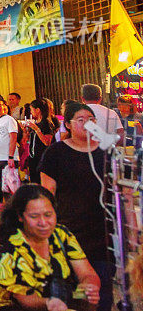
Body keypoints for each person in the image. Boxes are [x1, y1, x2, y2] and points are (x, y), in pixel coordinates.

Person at [39, 103, 112, 311]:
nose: (87, 123)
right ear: (68, 125)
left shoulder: (106, 152)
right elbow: (47, 195)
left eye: (91, 119)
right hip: (70, 233)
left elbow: (121, 192)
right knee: (76, 291)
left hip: (103, 233)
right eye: (81, 119)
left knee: (102, 288)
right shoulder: (56, 153)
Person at [0, 184, 100, 311]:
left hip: (61, 300)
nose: (43, 223)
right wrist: (50, 303)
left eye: (48, 215)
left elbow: (87, 273)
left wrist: (89, 287)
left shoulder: (61, 234)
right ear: (20, 217)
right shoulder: (9, 246)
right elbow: (25, 299)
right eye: (34, 216)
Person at [25, 99, 55, 184]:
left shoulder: (46, 123)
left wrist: (36, 129)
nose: (31, 112)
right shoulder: (36, 123)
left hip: (42, 158)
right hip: (33, 157)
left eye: (31, 110)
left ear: (37, 110)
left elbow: (47, 142)